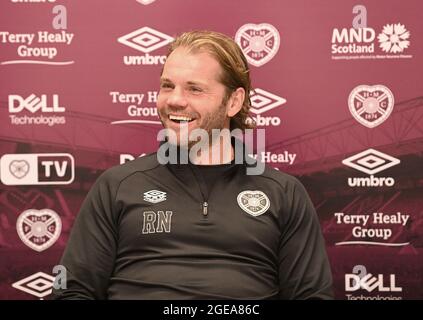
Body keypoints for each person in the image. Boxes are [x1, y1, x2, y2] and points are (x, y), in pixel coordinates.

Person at [52, 30, 333, 299]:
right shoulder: (116, 186)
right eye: (167, 86)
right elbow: (72, 290)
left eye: (194, 89)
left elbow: (311, 296)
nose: (175, 100)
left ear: (234, 101)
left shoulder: (284, 193)